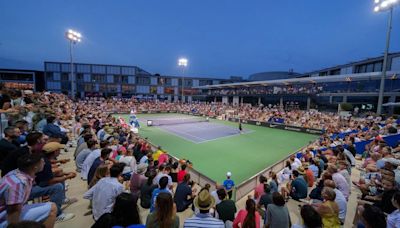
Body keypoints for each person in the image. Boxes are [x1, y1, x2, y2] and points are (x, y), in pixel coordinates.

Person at [0, 154, 57, 228]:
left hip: (8, 212)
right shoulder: (19, 183)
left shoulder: (16, 173)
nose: (44, 163)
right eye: (42, 162)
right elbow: (13, 211)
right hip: (4, 218)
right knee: (52, 208)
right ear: (35, 167)